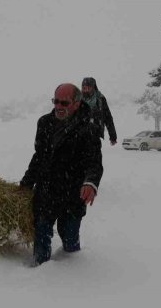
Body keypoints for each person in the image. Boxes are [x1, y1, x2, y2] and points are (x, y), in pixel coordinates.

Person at [20, 83, 103, 266]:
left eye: (64, 103)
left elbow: (94, 162)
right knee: (41, 232)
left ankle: (70, 277)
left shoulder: (88, 129)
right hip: (46, 192)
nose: (58, 106)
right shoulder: (44, 123)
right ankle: (39, 273)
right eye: (56, 101)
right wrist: (26, 183)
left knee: (70, 241)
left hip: (72, 195)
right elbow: (39, 156)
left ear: (77, 103)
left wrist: (90, 183)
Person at [81, 77, 117, 146]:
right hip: (80, 135)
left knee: (94, 155)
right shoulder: (78, 99)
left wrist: (113, 136)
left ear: (93, 87)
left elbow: (108, 118)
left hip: (95, 135)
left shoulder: (100, 99)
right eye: (83, 88)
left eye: (87, 88)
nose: (85, 90)